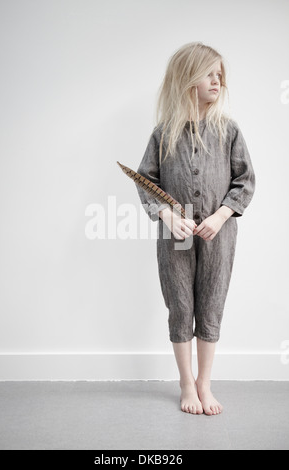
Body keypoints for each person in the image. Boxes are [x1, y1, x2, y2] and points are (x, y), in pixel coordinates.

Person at [136, 42, 256, 416]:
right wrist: (168, 215)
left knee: (211, 302)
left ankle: (205, 382)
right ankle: (186, 383)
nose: (217, 80)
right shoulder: (163, 133)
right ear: (188, 79)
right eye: (209, 74)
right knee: (180, 305)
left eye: (220, 75)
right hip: (175, 238)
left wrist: (221, 216)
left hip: (219, 236)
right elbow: (145, 180)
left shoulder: (228, 130)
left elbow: (245, 181)